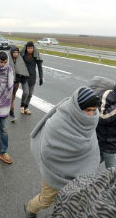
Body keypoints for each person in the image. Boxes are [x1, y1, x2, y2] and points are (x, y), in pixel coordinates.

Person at [24, 87, 101, 218]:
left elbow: (92, 148)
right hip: (54, 173)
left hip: (80, 177)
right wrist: (65, 168)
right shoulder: (58, 124)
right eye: (87, 110)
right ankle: (30, 208)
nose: (91, 115)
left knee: (74, 204)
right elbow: (47, 152)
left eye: (94, 111)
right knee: (46, 200)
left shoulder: (87, 123)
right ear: (77, 108)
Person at [20, 41, 43, 115]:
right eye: (28, 48)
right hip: (24, 76)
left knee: (30, 94)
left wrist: (41, 77)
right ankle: (22, 106)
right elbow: (17, 63)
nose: (30, 49)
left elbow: (40, 67)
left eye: (31, 48)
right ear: (26, 48)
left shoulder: (36, 55)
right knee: (26, 92)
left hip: (33, 77)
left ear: (33, 48)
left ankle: (26, 107)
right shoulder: (23, 55)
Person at [8, 46, 29, 121]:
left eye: (17, 52)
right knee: (10, 96)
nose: (16, 54)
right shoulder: (7, 60)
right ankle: (11, 113)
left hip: (16, 81)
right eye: (14, 52)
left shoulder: (19, 60)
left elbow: (22, 70)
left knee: (13, 96)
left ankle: (9, 110)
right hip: (9, 82)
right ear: (11, 52)